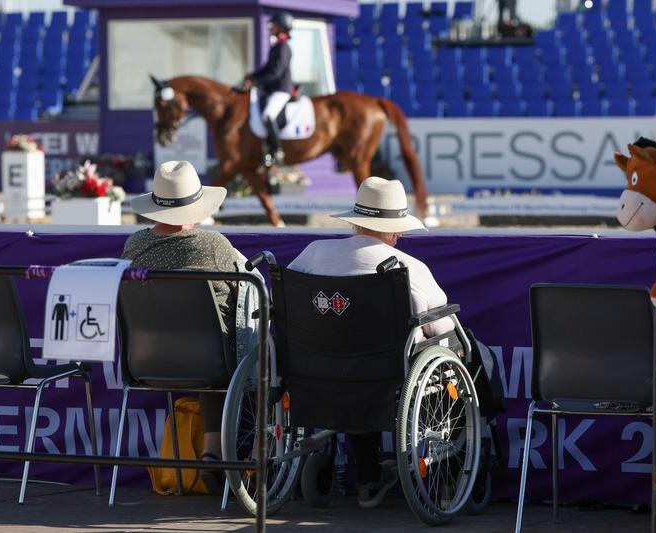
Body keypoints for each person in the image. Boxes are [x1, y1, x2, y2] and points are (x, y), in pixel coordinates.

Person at [288, 176, 455, 508]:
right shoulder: (407, 267)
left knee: (353, 366)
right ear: (395, 229)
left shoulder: (313, 254)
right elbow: (444, 328)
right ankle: (457, 465)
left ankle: (368, 476)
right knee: (459, 353)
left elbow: (284, 306)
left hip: (316, 367)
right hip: (382, 372)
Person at [122, 160, 260, 494]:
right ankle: (256, 460)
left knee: (206, 344)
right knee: (248, 347)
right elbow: (253, 284)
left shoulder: (133, 247)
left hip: (146, 362)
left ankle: (212, 453)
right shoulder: (212, 245)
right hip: (210, 361)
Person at [242, 11, 294, 168]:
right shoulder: (276, 46)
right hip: (271, 89)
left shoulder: (283, 48)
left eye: (274, 25)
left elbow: (276, 73)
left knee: (268, 115)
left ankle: (276, 150)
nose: (271, 28)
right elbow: (266, 68)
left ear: (282, 28)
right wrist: (252, 76)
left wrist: (256, 82)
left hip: (281, 89)